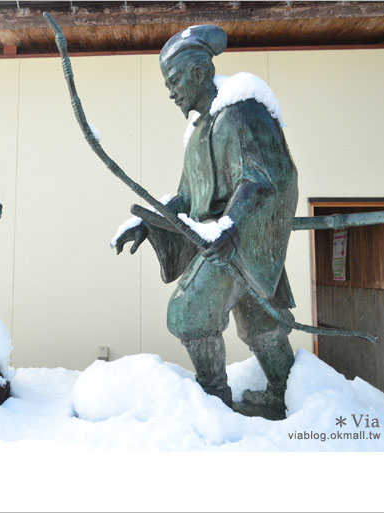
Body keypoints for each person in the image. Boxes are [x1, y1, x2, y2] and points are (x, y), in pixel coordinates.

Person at [114, 24, 298, 420]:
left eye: (175, 79)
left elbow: (264, 175)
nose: (171, 91)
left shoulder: (242, 111)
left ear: (199, 73)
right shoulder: (198, 132)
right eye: (168, 83)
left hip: (237, 240)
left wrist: (231, 226)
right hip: (219, 240)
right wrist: (150, 223)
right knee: (259, 322)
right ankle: (288, 395)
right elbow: (188, 197)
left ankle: (213, 402)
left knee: (189, 313)